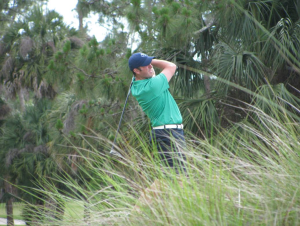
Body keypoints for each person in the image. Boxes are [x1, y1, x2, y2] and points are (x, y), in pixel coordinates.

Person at [128, 52, 187, 174]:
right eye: (146, 65)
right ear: (136, 70)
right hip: (169, 134)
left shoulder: (136, 86)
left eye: (150, 63)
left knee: (169, 179)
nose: (150, 66)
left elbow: (149, 75)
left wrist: (145, 64)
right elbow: (171, 66)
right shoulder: (153, 86)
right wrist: (152, 61)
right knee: (179, 179)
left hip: (163, 133)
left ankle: (145, 194)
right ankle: (145, 194)